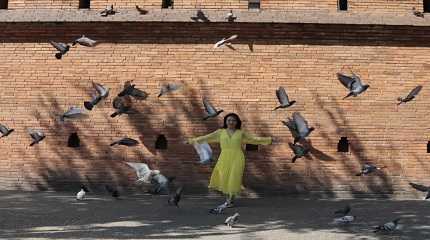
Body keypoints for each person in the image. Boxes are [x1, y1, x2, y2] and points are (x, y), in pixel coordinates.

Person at [187, 113, 273, 213]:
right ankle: (229, 199)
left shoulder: (241, 133)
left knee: (234, 178)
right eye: (229, 120)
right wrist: (191, 141)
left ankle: (230, 200)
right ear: (225, 122)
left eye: (233, 120)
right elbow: (206, 138)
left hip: (237, 157)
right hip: (224, 157)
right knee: (225, 178)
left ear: (237, 122)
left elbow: (254, 139)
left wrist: (269, 140)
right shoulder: (220, 132)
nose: (231, 122)